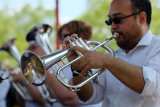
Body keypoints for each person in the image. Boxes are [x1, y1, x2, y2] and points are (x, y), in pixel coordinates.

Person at [63, 0, 160, 107]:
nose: (112, 27)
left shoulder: (157, 46)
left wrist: (107, 61)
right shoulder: (112, 55)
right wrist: (77, 69)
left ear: (141, 18)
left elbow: (152, 85)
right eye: (110, 21)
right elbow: (90, 97)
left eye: (118, 19)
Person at [45, 20, 102, 107]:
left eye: (65, 36)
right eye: (61, 38)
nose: (63, 41)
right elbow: (53, 96)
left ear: (81, 36)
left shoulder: (95, 59)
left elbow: (71, 99)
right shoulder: (66, 60)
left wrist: (47, 75)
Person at [11, 43, 51, 107]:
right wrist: (19, 85)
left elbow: (43, 101)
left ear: (44, 49)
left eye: (33, 47)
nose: (29, 51)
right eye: (28, 48)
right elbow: (22, 102)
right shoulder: (30, 70)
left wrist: (24, 81)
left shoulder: (50, 71)